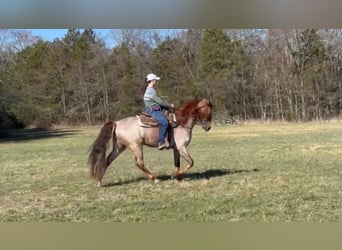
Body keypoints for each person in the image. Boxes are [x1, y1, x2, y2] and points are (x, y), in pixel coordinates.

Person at [143, 73, 174, 150]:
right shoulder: (150, 91)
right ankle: (161, 142)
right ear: (152, 81)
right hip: (152, 109)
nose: (156, 81)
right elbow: (159, 102)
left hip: (153, 107)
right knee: (165, 122)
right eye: (155, 80)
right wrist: (169, 105)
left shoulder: (150, 90)